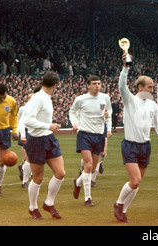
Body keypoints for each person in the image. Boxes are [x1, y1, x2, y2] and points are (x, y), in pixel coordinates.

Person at [114, 53, 158, 223]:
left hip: (145, 146)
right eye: (149, 87)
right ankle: (118, 204)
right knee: (135, 181)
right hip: (130, 145)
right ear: (140, 87)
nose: (152, 90)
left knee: (137, 183)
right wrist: (126, 67)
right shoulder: (130, 101)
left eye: (152, 87)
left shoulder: (152, 105)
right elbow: (121, 86)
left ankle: (124, 211)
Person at [22, 71, 66, 219]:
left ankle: (49, 203)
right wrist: (48, 126)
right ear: (55, 85)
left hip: (49, 139)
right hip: (36, 141)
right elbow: (27, 120)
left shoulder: (47, 97)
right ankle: (32, 207)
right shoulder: (37, 98)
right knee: (38, 178)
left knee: (60, 173)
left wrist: (49, 128)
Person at [69, 75, 112, 207]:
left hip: (99, 135)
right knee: (87, 165)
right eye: (94, 83)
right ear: (88, 85)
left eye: (98, 83)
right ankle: (88, 198)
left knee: (93, 168)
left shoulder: (105, 98)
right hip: (85, 134)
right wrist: (74, 123)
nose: (97, 86)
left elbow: (108, 112)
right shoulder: (81, 99)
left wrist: (108, 128)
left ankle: (77, 182)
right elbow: (72, 111)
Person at [17, 86, 42, 188]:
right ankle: (25, 180)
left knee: (33, 157)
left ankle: (31, 176)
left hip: (36, 132)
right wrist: (20, 132)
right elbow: (20, 121)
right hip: (26, 132)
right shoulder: (23, 109)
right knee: (27, 157)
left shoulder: (39, 107)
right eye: (29, 98)